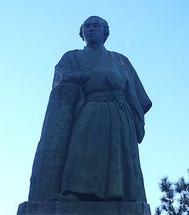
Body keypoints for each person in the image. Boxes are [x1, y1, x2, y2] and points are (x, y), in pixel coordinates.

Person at [28, 16, 152, 202]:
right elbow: (61, 78)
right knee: (83, 148)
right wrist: (89, 75)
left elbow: (139, 96)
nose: (91, 29)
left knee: (119, 153)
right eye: (87, 26)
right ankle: (75, 193)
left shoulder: (121, 60)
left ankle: (121, 194)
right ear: (82, 33)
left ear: (105, 33)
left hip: (120, 111)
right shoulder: (72, 57)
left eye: (96, 26)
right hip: (90, 107)